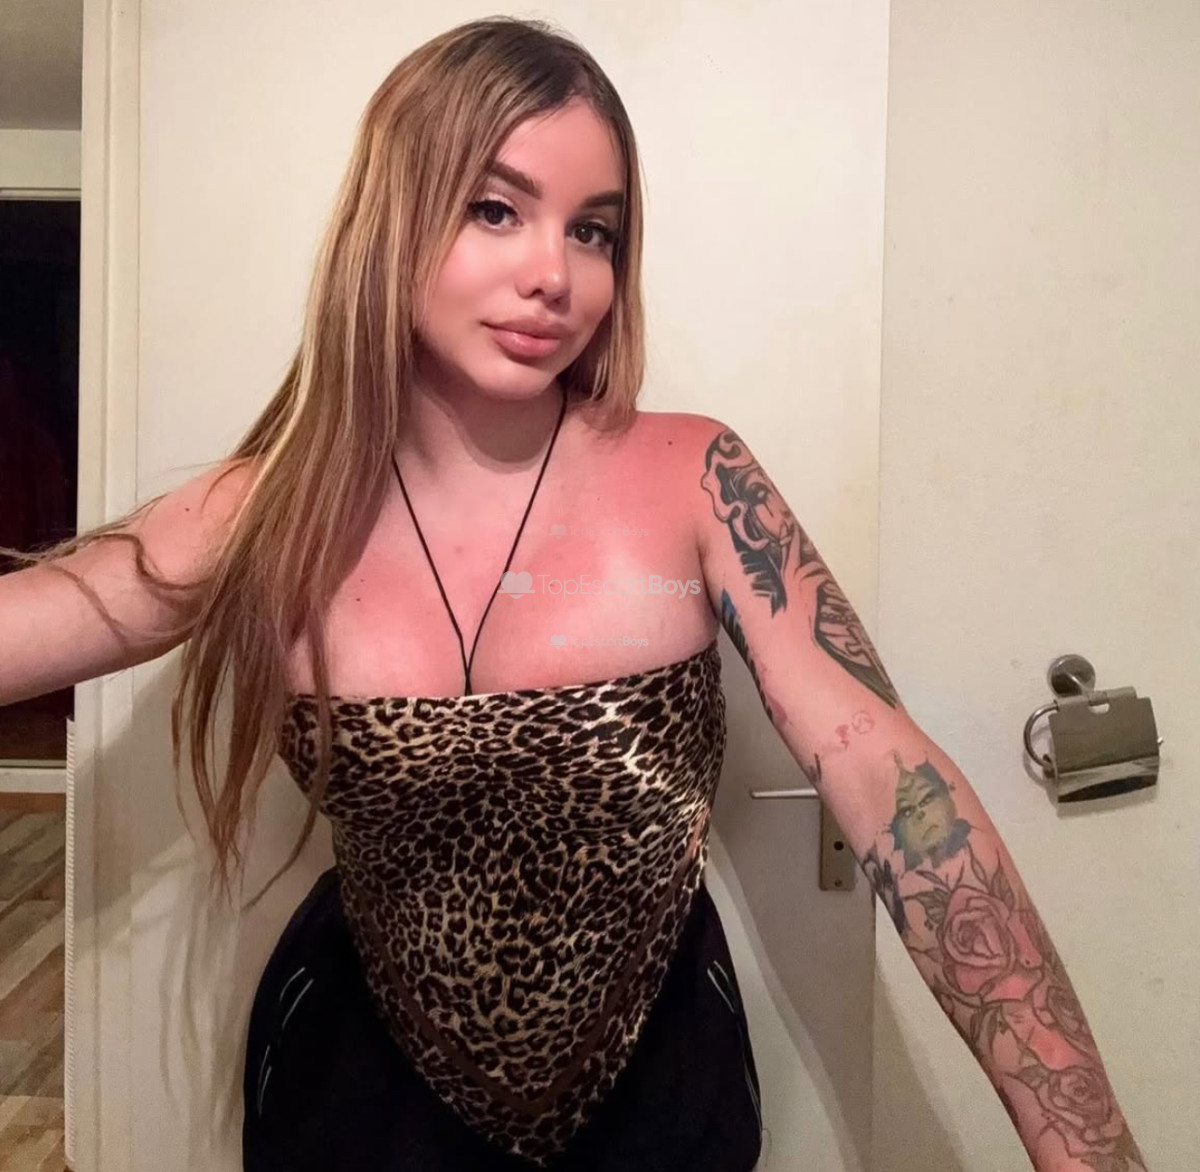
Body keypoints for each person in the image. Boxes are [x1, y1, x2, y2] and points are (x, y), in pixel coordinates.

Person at [0, 15, 1146, 1172]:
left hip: (659, 1087)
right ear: (393, 217)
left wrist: (1090, 1150)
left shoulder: (696, 477)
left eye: (593, 229)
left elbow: (893, 781)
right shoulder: (267, 511)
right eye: (495, 209)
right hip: (361, 1093)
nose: (555, 274)